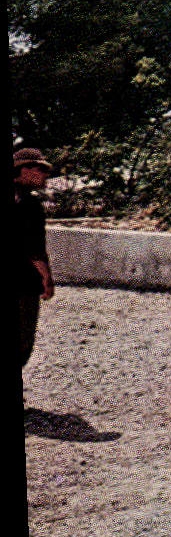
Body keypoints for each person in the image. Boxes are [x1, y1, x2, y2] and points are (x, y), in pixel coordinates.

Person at [15, 148, 56, 371]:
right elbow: (35, 250)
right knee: (22, 340)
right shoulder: (29, 206)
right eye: (40, 169)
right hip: (23, 282)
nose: (44, 175)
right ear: (24, 170)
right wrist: (47, 279)